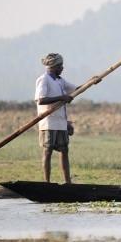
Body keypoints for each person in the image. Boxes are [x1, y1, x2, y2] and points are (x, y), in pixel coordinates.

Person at [35, 53, 77, 183]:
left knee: (64, 150)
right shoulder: (44, 79)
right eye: (60, 66)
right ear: (53, 67)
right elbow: (40, 100)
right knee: (47, 151)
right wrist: (61, 98)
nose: (62, 68)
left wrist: (93, 81)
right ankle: (47, 182)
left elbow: (76, 89)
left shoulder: (60, 81)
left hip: (60, 122)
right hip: (48, 122)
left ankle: (67, 182)